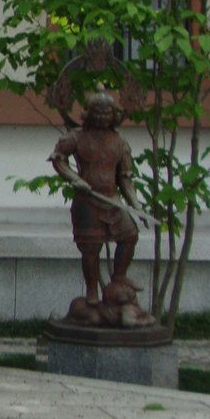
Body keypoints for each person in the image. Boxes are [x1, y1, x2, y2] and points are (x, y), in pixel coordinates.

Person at [50, 91, 146, 317]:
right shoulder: (76, 137)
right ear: (88, 114)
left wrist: (135, 204)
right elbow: (58, 159)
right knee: (91, 249)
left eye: (107, 113)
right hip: (87, 202)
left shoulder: (120, 142)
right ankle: (92, 289)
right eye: (98, 113)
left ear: (114, 115)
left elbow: (125, 177)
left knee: (130, 234)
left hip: (112, 200)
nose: (103, 117)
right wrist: (75, 179)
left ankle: (119, 275)